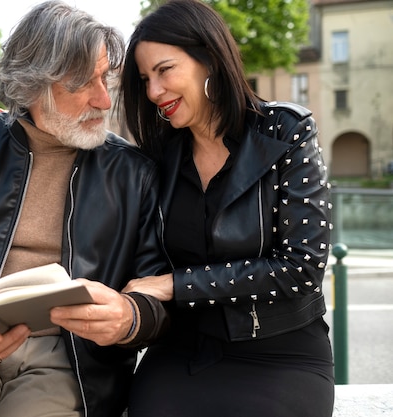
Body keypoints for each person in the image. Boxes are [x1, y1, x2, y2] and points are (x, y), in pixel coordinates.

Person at [0, 1, 169, 417]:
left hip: (71, 359)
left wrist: (131, 318)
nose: (104, 99)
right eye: (82, 83)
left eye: (104, 78)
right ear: (32, 85)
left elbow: (156, 292)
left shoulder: (134, 173)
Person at [118, 1, 335, 416]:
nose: (153, 92)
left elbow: (302, 268)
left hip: (282, 353)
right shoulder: (156, 158)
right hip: (182, 350)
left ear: (210, 61)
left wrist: (175, 285)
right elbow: (90, 161)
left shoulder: (286, 131)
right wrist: (13, 127)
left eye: (164, 71)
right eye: (145, 78)